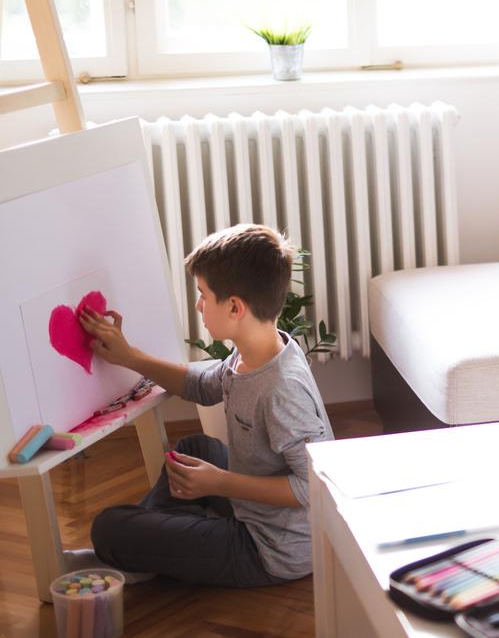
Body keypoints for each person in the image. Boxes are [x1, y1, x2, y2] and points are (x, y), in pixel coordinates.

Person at [73, 224, 332, 587]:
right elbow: (202, 386)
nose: (198, 305)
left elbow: (313, 486)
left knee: (107, 529)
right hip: (253, 511)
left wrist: (220, 483)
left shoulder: (281, 387)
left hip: (272, 547)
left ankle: (130, 549)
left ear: (234, 307)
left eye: (203, 294)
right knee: (193, 449)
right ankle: (144, 550)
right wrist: (130, 357)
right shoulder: (255, 350)